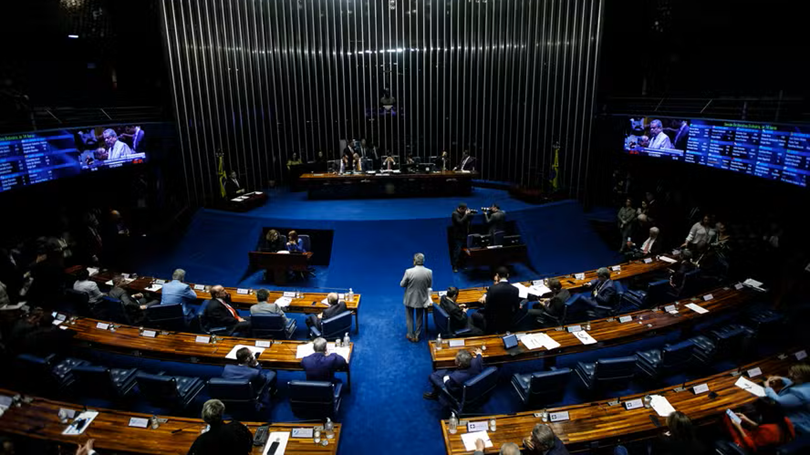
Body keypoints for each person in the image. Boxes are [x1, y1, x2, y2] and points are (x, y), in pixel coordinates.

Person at [722, 398, 795, 452]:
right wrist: (747, 420)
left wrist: (739, 428)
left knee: (726, 418)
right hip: (762, 439)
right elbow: (760, 429)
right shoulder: (784, 420)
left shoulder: (768, 431)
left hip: (749, 445)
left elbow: (752, 446)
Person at [187, 399, 252, 455]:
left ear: (205, 418)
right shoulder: (237, 427)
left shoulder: (202, 440)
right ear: (222, 412)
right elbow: (249, 445)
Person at [764, 363, 810, 434]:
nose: (791, 375)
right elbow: (794, 383)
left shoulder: (801, 394)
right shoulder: (806, 383)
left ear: (803, 376)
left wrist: (767, 387)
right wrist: (781, 379)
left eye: (795, 374)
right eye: (792, 372)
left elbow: (779, 401)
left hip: (795, 424)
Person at [473, 267, 521, 334]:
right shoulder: (515, 289)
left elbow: (487, 307)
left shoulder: (492, 289)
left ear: (498, 275)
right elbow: (516, 306)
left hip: (493, 319)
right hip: (508, 318)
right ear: (508, 275)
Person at [400, 253, 433, 342]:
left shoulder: (408, 271)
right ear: (423, 261)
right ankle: (417, 335)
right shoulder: (429, 272)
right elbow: (429, 285)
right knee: (419, 317)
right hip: (421, 298)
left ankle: (410, 335)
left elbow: (402, 284)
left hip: (409, 298)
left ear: (414, 261)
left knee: (409, 317)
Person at [451, 202, 473, 272]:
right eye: (464, 210)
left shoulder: (464, 214)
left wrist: (470, 214)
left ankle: (463, 264)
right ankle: (455, 266)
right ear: (460, 209)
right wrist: (466, 215)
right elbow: (460, 222)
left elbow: (469, 220)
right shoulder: (455, 214)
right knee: (457, 252)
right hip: (458, 236)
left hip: (465, 235)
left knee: (465, 251)